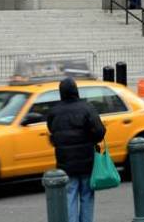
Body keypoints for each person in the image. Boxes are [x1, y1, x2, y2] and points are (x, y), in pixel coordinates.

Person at [46, 77, 106, 222]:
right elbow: (100, 132)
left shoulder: (54, 112)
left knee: (70, 196)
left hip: (65, 163)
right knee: (87, 196)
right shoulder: (87, 108)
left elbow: (52, 133)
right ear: (76, 91)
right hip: (87, 162)